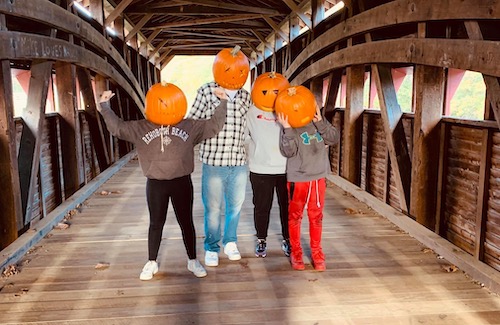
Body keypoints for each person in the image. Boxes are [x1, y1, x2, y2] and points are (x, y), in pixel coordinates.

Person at [97, 87, 228, 280]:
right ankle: (151, 262)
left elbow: (214, 126)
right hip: (156, 183)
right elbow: (117, 128)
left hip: (182, 182)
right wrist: (104, 106)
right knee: (156, 223)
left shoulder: (189, 126)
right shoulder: (140, 127)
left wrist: (223, 102)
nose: (165, 106)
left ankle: (192, 260)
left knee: (186, 223)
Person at [187, 82, 251, 267]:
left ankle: (230, 242)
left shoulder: (245, 96)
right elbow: (193, 121)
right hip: (214, 160)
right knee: (213, 208)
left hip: (238, 160)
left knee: (235, 206)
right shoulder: (207, 91)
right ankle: (211, 247)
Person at [277, 104, 339, 271]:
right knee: (295, 216)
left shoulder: (317, 120)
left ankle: (317, 253)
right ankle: (296, 253)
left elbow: (334, 138)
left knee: (316, 217)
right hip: (299, 178)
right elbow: (287, 151)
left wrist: (320, 122)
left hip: (318, 177)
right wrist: (287, 129)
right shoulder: (289, 123)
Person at [246, 104, 290, 258]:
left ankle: (288, 239)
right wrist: (255, 151)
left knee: (287, 207)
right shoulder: (251, 111)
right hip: (260, 168)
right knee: (261, 206)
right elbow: (244, 134)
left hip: (286, 167)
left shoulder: (287, 107)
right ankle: (261, 239)